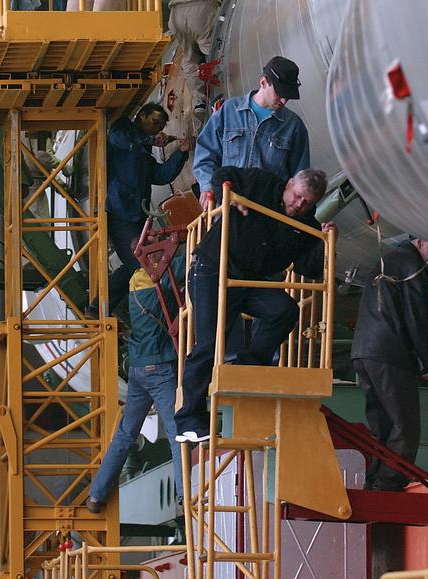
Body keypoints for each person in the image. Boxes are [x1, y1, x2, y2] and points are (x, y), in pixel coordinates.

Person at [175, 165, 333, 443]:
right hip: (212, 270)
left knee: (284, 310)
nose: (298, 205)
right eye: (296, 196)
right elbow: (224, 173)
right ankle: (189, 420)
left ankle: (248, 364)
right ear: (288, 185)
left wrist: (325, 243)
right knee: (211, 343)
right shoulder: (261, 182)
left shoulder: (306, 225)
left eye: (307, 202)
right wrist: (230, 196)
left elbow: (309, 269)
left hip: (248, 282)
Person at [87, 254, 187, 514]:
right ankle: (183, 495)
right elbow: (187, 262)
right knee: (177, 432)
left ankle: (97, 495)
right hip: (160, 369)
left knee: (125, 433)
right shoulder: (159, 287)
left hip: (137, 370)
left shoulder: (135, 286)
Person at [351, 240, 428, 489]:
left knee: (382, 424)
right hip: (390, 353)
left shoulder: (388, 259)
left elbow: (398, 303)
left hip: (363, 351)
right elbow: (415, 316)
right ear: (421, 242)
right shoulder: (412, 264)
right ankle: (388, 485)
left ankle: (374, 480)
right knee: (405, 425)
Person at [89, 103, 189, 317]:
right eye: (154, 122)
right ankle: (162, 309)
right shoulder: (123, 129)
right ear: (141, 115)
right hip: (119, 211)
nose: (156, 128)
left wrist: (180, 154)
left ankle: (99, 308)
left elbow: (161, 176)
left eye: (160, 125)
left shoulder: (144, 153)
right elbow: (120, 140)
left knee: (133, 263)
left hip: (136, 214)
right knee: (140, 260)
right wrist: (151, 140)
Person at [192, 56, 310, 211]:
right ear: (263, 82)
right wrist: (207, 187)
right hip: (227, 212)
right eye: (280, 93)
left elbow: (300, 179)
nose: (284, 100)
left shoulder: (294, 126)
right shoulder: (229, 111)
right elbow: (205, 155)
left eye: (288, 96)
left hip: (268, 217)